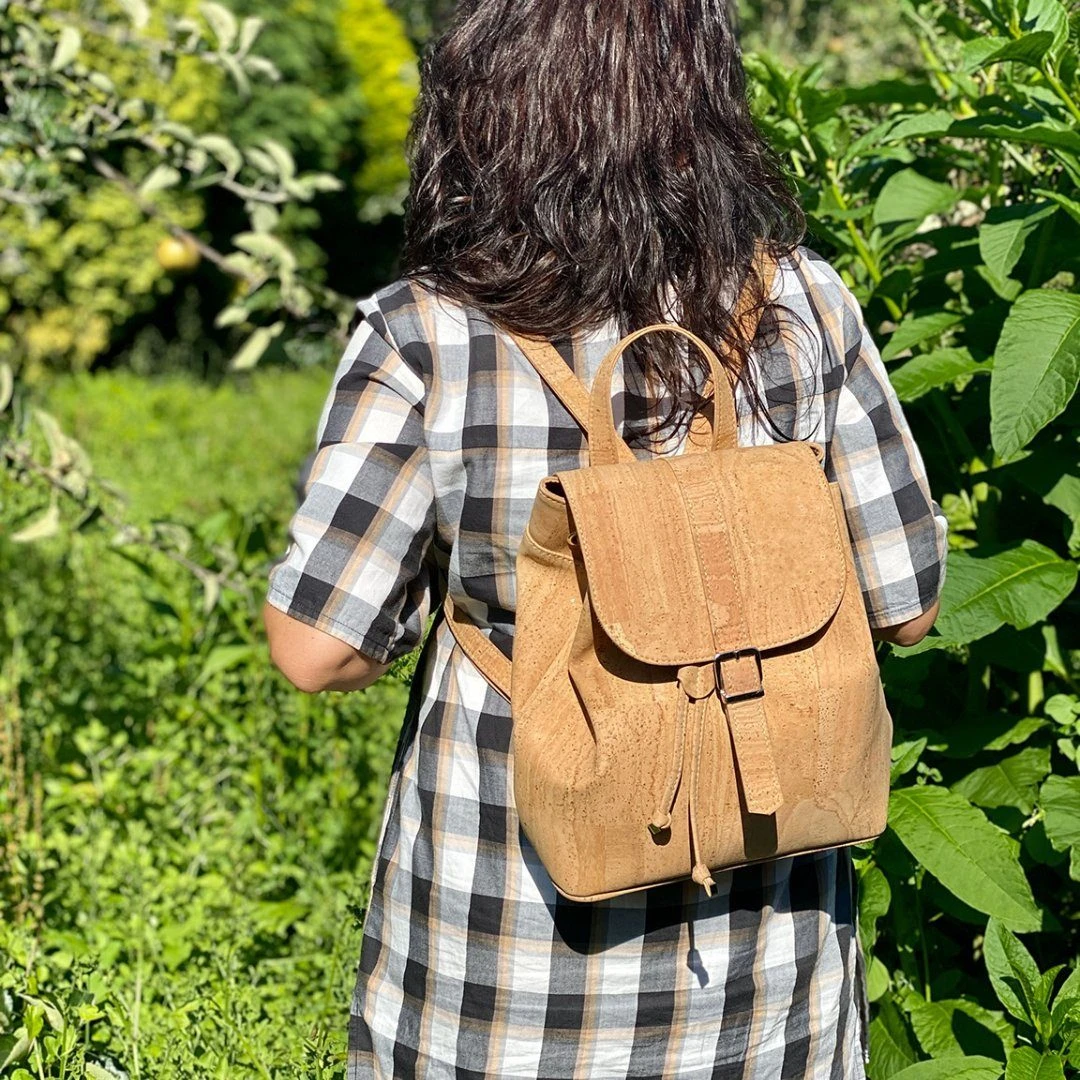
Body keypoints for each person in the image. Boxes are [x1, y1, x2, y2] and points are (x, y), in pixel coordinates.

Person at [263, 1, 949, 1076]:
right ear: (705, 101)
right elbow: (908, 603)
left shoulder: (427, 331)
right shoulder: (800, 299)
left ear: (485, 107)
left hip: (507, 960)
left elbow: (317, 650)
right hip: (768, 975)